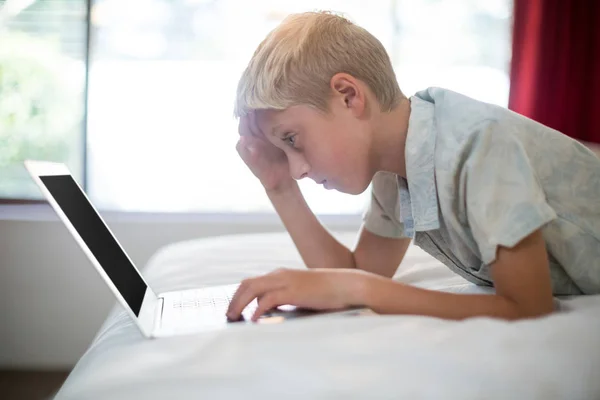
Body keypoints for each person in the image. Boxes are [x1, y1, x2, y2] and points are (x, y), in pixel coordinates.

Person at [225, 11, 600, 322]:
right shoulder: (394, 171)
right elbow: (360, 272)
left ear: (348, 96)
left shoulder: (476, 143)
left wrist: (359, 288)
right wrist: (279, 188)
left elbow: (528, 307)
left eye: (291, 140)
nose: (297, 170)